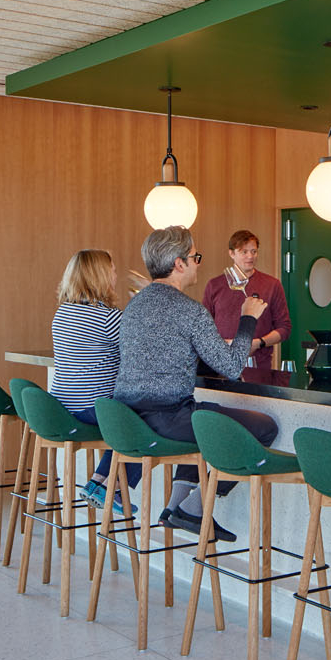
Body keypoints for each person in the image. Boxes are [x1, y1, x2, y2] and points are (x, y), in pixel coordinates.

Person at [114, 225, 277, 542]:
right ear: (179, 264)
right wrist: (248, 317)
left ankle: (175, 507)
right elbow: (232, 366)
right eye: (195, 257)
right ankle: (196, 506)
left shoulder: (134, 305)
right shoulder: (190, 311)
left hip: (130, 419)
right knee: (263, 427)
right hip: (167, 420)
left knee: (203, 416)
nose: (198, 263)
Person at [49, 249, 132, 504]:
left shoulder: (62, 313)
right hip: (92, 410)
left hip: (62, 408)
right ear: (101, 276)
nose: (116, 276)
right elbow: (144, 351)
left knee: (128, 418)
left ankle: (99, 482)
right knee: (145, 419)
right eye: (113, 271)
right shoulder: (108, 317)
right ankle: (109, 486)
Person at [201, 228, 291, 369]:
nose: (250, 256)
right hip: (220, 365)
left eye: (254, 251)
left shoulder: (272, 285)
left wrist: (258, 343)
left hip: (258, 367)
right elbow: (204, 328)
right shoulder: (214, 285)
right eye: (244, 252)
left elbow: (284, 328)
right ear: (231, 253)